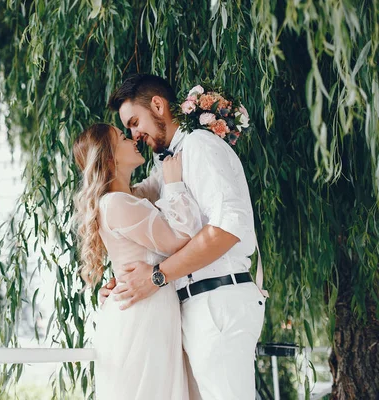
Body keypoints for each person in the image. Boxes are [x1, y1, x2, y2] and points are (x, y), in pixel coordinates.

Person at [100, 74, 267, 400]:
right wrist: (124, 278)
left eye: (134, 122)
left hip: (217, 299)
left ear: (158, 106)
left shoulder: (199, 147)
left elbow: (226, 229)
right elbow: (158, 233)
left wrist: (158, 277)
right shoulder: (168, 166)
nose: (134, 135)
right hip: (193, 304)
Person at [73, 123, 201, 399]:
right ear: (110, 158)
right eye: (122, 137)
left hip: (149, 309)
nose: (132, 138)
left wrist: (190, 124)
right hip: (142, 315)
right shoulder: (117, 203)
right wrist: (176, 184)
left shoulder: (130, 197)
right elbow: (181, 238)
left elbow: (157, 180)